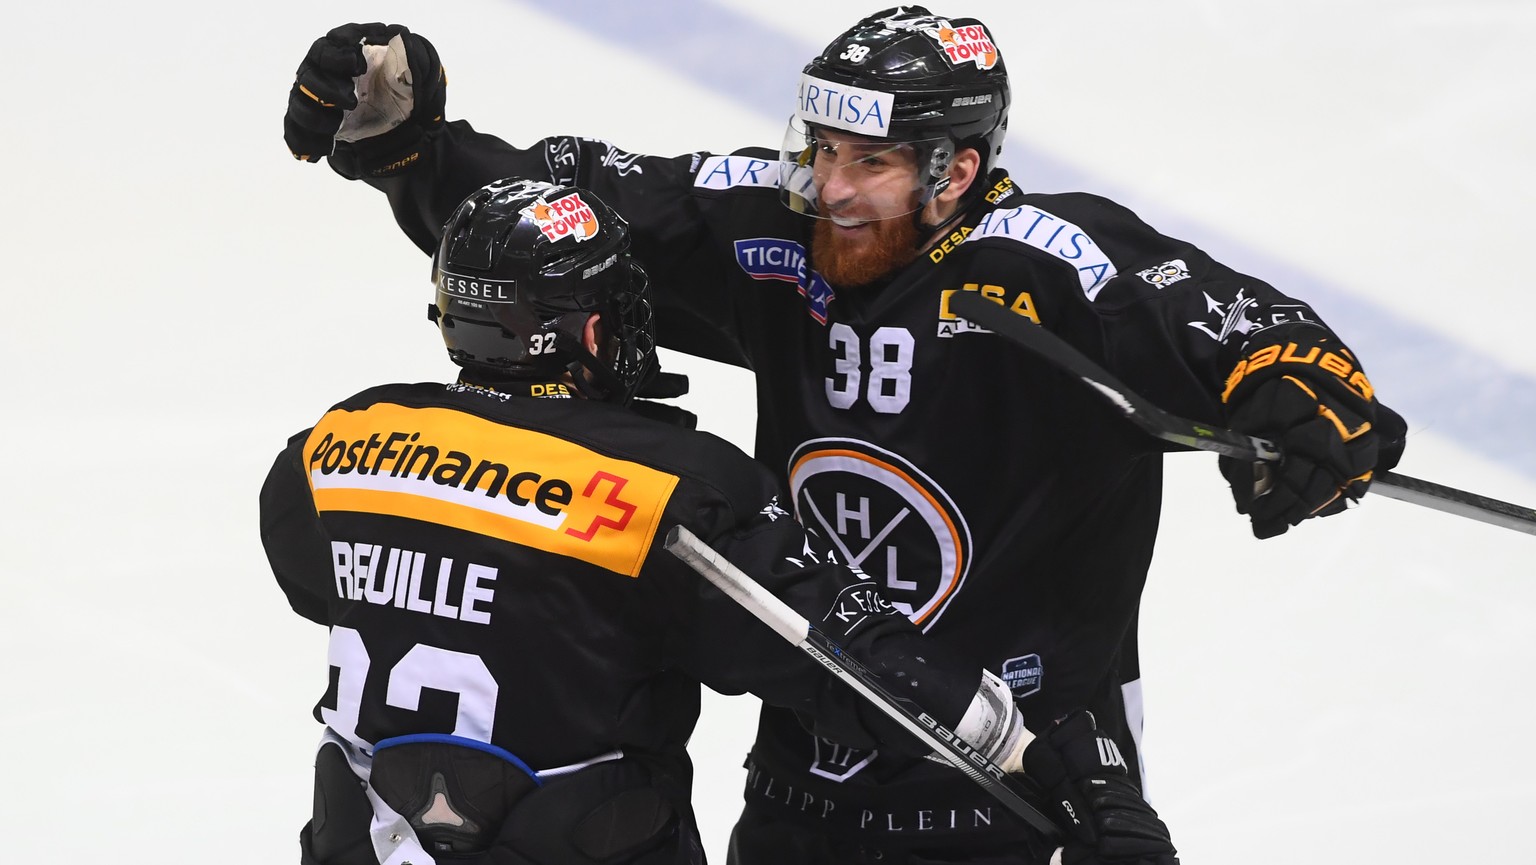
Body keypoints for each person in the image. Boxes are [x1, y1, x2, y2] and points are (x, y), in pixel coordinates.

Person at [281, 10, 1406, 863]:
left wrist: (1309, 405)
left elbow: (1249, 327)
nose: (830, 186)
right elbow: (567, 226)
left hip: (1025, 777)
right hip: (807, 773)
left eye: (868, 163)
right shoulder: (780, 227)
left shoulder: (1052, 266)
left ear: (954, 172)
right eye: (822, 150)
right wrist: (414, 149)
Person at [260, 178, 1180, 865]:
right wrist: (1046, 760)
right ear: (585, 328)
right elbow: (845, 660)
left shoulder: (337, 445)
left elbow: (321, 574)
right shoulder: (657, 490)